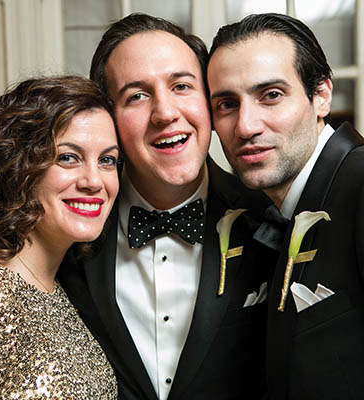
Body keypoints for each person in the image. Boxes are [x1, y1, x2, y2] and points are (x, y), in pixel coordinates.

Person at [59, 12, 269, 400]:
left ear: (208, 99)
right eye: (136, 95)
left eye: (181, 86)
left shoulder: (268, 220)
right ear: (108, 117)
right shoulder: (67, 235)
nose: (165, 113)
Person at [207, 12, 364, 400]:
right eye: (227, 104)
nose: (246, 126)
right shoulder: (268, 210)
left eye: (271, 96)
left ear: (321, 96)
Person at [0, 75, 120, 399]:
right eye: (68, 157)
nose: (94, 180)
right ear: (19, 166)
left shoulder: (53, 282)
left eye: (107, 160)